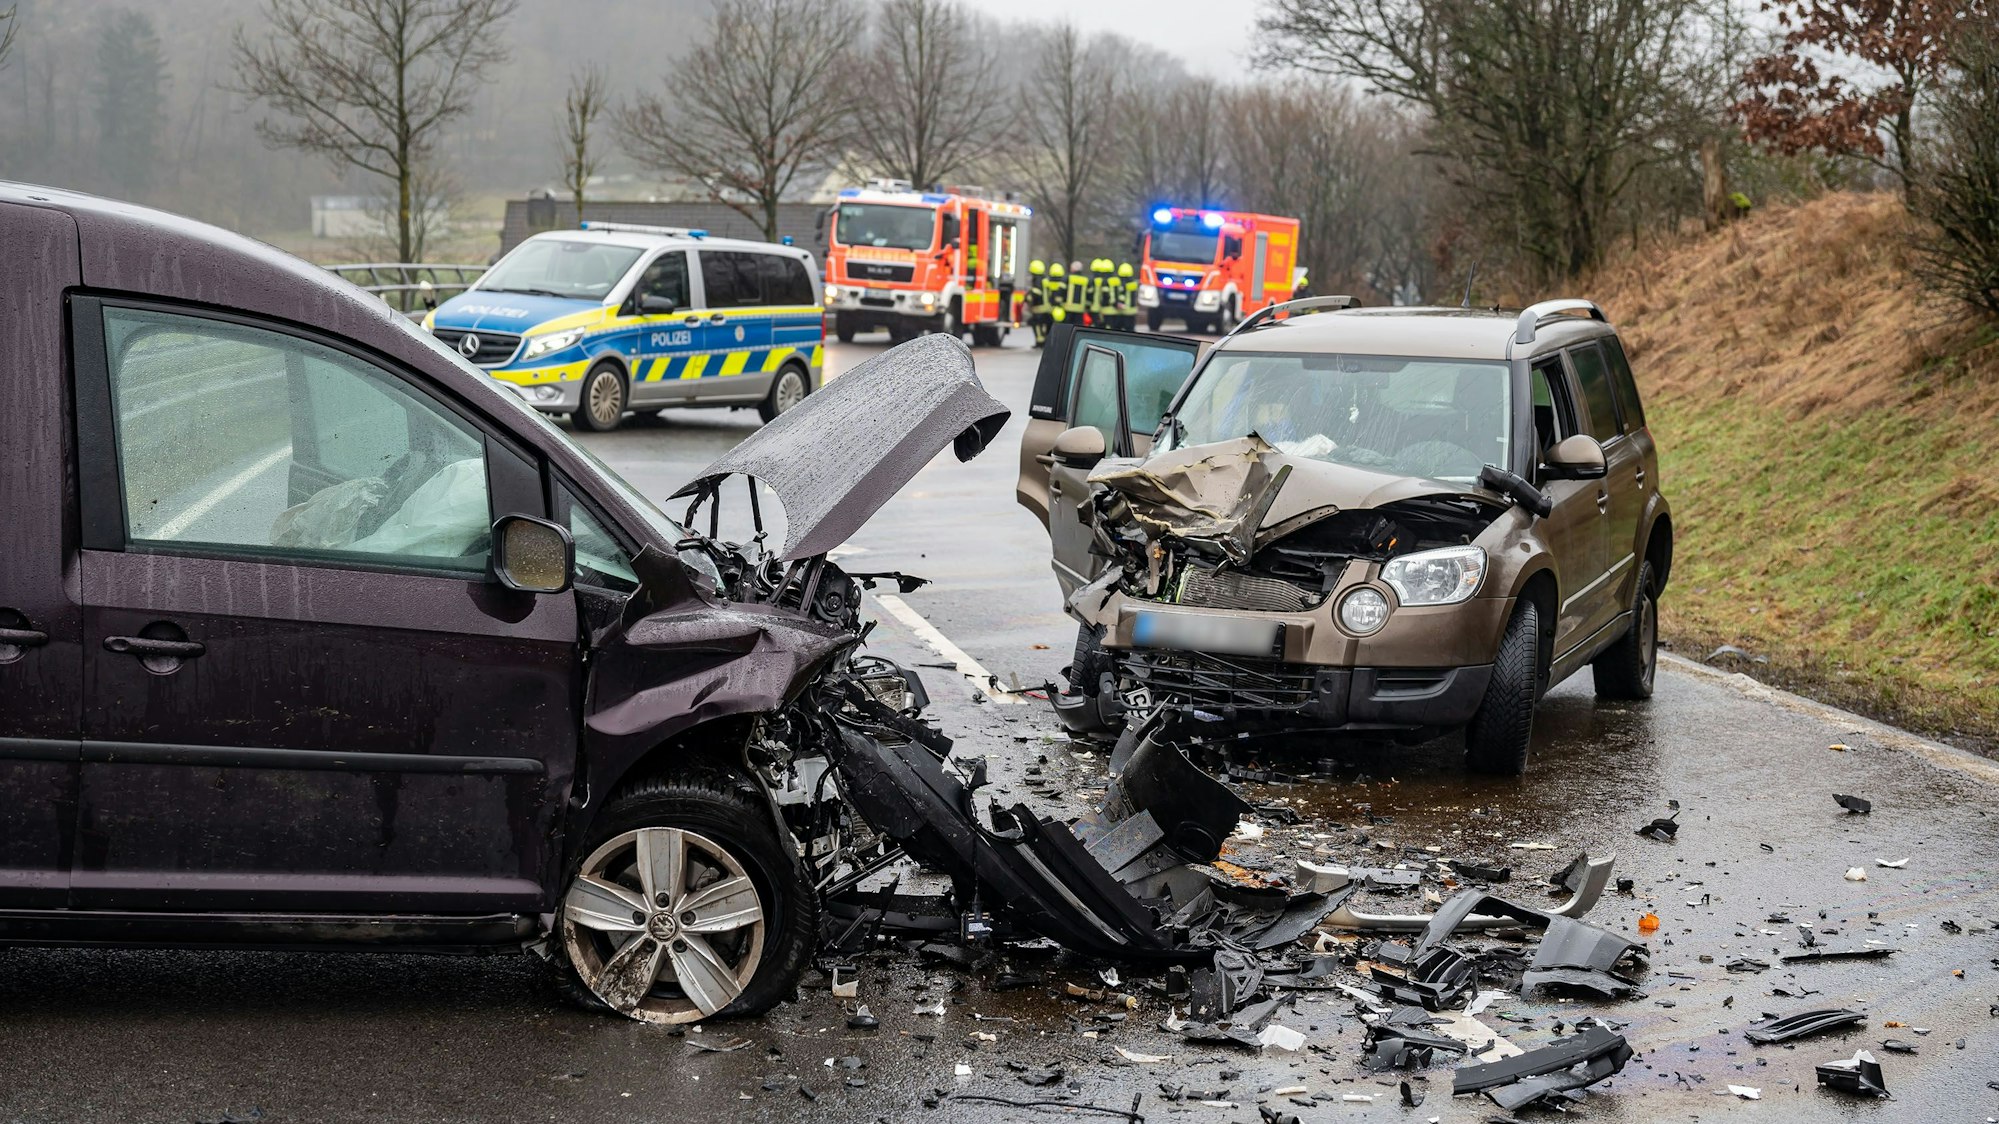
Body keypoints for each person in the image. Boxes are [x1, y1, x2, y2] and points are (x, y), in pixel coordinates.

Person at [1025, 260, 1052, 346]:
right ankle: (1044, 341)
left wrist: (1027, 298)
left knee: (1036, 324)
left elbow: (1036, 293)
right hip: (1047, 307)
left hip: (1039, 308)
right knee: (1044, 325)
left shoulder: (1037, 280)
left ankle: (1040, 342)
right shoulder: (1045, 279)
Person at [1089, 258, 1116, 328]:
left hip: (1094, 307)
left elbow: (1090, 294)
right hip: (1105, 308)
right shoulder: (1107, 281)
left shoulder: (1093, 281)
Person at [1063, 260, 1089, 326]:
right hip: (1080, 309)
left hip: (1068, 308)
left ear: (1073, 269)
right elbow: (1089, 294)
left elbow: (1062, 291)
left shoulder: (1068, 278)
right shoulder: (1085, 280)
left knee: (1067, 327)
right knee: (1078, 327)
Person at [1114, 262, 1138, 331]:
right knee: (1130, 331)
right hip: (1131, 312)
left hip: (1121, 311)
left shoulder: (1120, 283)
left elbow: (1121, 295)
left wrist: (1118, 304)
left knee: (1117, 331)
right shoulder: (1134, 284)